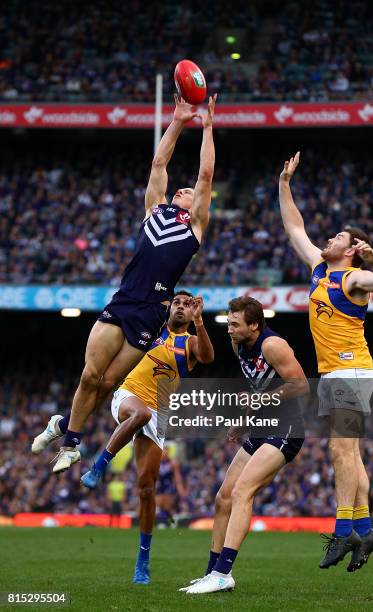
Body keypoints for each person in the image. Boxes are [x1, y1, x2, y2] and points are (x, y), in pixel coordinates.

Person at [41, 94, 217, 474]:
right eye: (181, 189)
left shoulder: (196, 225)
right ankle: (70, 441)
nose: (186, 190)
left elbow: (206, 176)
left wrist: (207, 128)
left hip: (153, 312)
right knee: (90, 375)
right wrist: (178, 120)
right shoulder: (155, 209)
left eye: (190, 191)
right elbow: (159, 162)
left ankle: (64, 430)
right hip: (125, 300)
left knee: (107, 383)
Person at [33, 292, 214, 585]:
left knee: (146, 488)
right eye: (177, 303)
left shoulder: (190, 342)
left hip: (160, 413)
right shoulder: (152, 330)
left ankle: (143, 560)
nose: (181, 307)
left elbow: (207, 357)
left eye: (187, 304)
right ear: (169, 309)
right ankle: (99, 465)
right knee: (138, 415)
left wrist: (201, 322)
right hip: (127, 396)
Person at [278, 152, 373, 571]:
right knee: (352, 457)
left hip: (352, 369)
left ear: (352, 251)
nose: (330, 239)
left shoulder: (353, 278)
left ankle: (343, 533)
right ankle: (366, 530)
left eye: (338, 238)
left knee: (339, 451)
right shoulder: (318, 269)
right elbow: (295, 225)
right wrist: (285, 183)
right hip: (334, 374)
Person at [180, 296, 308, 594]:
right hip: (262, 427)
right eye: (228, 322)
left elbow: (300, 385)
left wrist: (259, 401)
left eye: (235, 324)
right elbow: (259, 387)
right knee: (223, 497)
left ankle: (224, 573)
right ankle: (212, 573)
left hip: (286, 429)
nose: (229, 329)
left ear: (254, 325)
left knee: (242, 492)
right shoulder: (239, 345)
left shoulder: (272, 345)